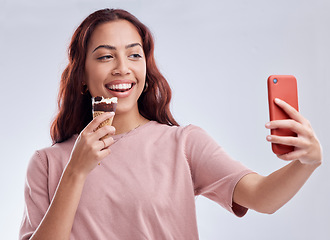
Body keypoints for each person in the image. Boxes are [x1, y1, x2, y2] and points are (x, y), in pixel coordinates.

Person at [19, 8, 322, 240]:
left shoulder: (183, 144)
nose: (122, 68)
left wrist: (306, 163)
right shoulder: (48, 164)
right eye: (105, 57)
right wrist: (75, 171)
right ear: (82, 76)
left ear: (146, 69)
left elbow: (261, 197)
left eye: (134, 55)